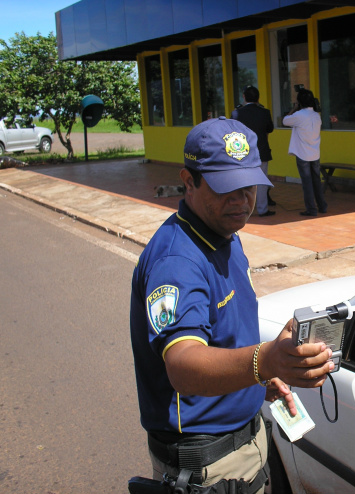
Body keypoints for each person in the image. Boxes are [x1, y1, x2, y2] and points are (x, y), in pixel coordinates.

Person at [129, 117, 334, 493]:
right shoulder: (178, 262)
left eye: (249, 187)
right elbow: (184, 365)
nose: (241, 201)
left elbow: (225, 334)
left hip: (243, 442)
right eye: (226, 189)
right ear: (188, 181)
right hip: (206, 461)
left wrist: (256, 379)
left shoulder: (225, 234)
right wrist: (265, 360)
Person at [231, 85, 276, 217]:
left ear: (244, 97)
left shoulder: (236, 113)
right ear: (258, 98)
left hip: (241, 153)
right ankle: (263, 209)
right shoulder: (264, 112)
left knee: (243, 182)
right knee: (262, 182)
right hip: (261, 152)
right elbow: (270, 129)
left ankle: (243, 209)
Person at [282, 88, 327, 217]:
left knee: (307, 183)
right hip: (315, 153)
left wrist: (294, 108)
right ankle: (322, 206)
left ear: (300, 102)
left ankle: (311, 209)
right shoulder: (316, 116)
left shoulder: (299, 115)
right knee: (316, 181)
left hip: (303, 154)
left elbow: (285, 121)